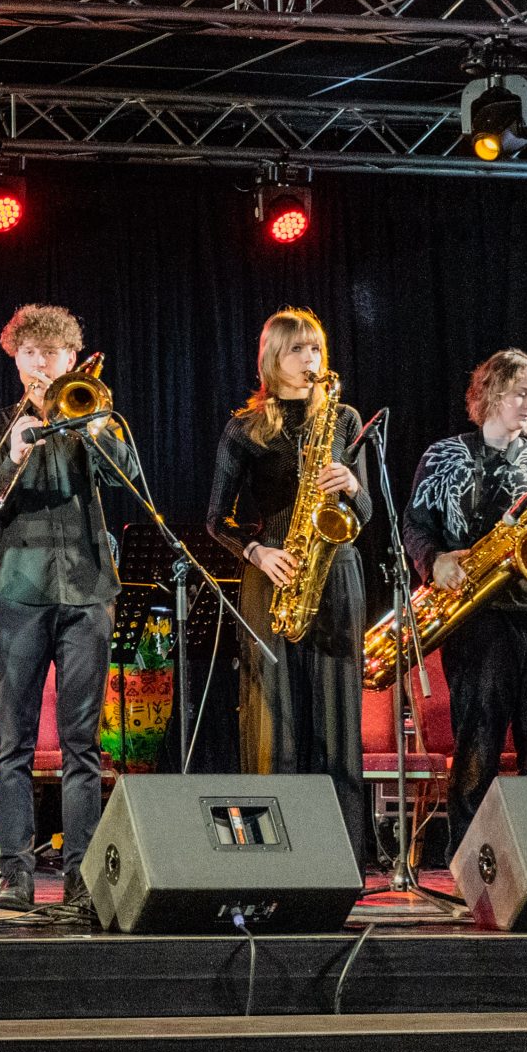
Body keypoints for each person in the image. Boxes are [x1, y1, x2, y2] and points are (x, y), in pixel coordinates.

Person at [0, 303, 144, 905]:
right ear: (15, 360)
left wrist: (94, 430)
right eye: (30, 353)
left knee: (81, 745)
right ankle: (15, 874)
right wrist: (15, 454)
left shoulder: (93, 414)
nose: (41, 363)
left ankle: (81, 877)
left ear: (73, 358)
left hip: (88, 592)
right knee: (12, 744)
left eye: (52, 352)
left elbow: (130, 481)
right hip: (20, 592)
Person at [205, 307, 373, 868]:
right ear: (273, 358)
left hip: (336, 571)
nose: (310, 359)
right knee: (273, 715)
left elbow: (367, 513)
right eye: (298, 349)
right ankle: (274, 857)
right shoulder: (245, 427)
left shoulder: (344, 419)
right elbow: (216, 520)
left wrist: (352, 485)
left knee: (338, 713)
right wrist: (257, 551)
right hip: (273, 572)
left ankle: (342, 857)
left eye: (316, 348)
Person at [402, 348, 527, 854]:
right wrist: (435, 561)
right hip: (476, 614)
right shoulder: (442, 456)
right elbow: (414, 526)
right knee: (477, 746)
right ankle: (469, 861)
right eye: (521, 393)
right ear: (491, 393)